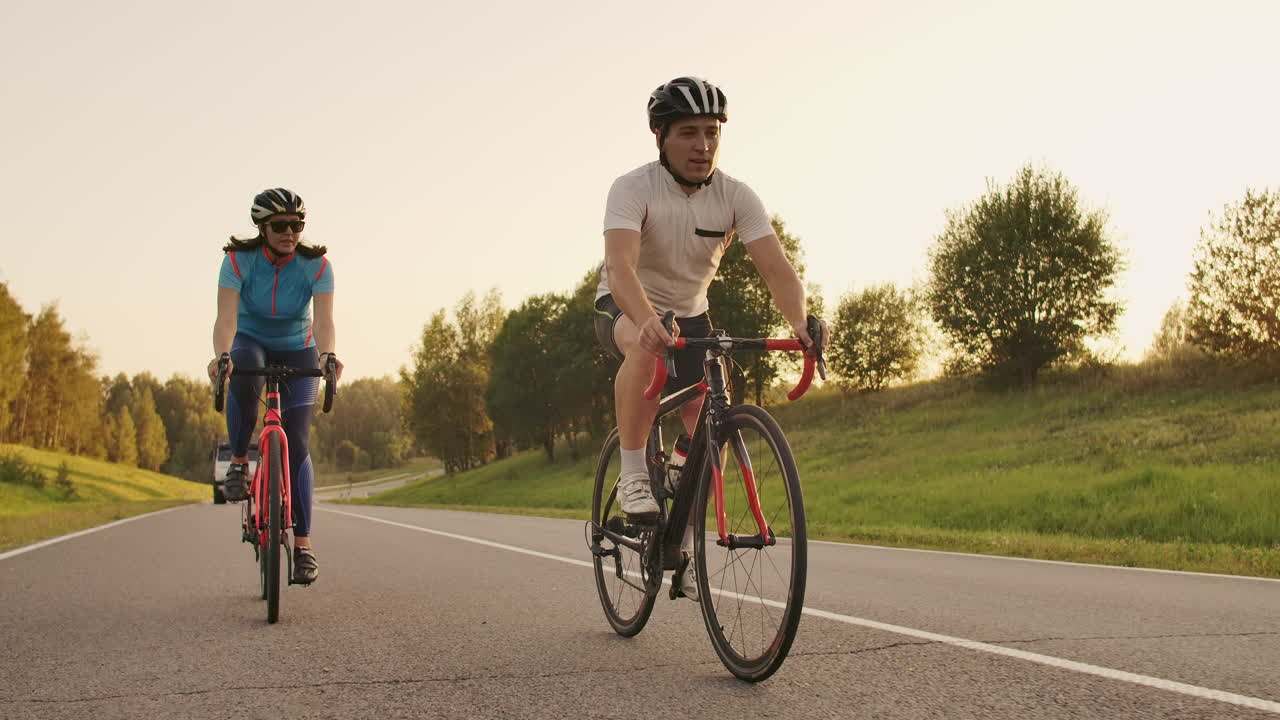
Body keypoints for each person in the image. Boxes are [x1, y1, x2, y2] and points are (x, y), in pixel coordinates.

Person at [592, 77, 822, 600]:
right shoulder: (632, 188)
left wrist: (801, 323)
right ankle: (632, 473)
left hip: (692, 313)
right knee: (643, 345)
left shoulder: (736, 196)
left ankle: (685, 544)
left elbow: (777, 269)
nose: (703, 145)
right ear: (660, 137)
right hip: (625, 303)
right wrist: (646, 318)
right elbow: (621, 266)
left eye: (712, 133)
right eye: (689, 133)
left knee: (708, 421)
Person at [207, 188, 343, 585]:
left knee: (298, 442)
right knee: (243, 362)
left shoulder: (316, 266)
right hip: (249, 341)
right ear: (262, 228)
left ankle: (303, 546)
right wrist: (221, 357)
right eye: (280, 226)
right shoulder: (237, 261)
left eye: (297, 225)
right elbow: (225, 321)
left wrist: (327, 356)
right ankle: (237, 464)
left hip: (299, 348)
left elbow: (324, 323)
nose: (290, 233)